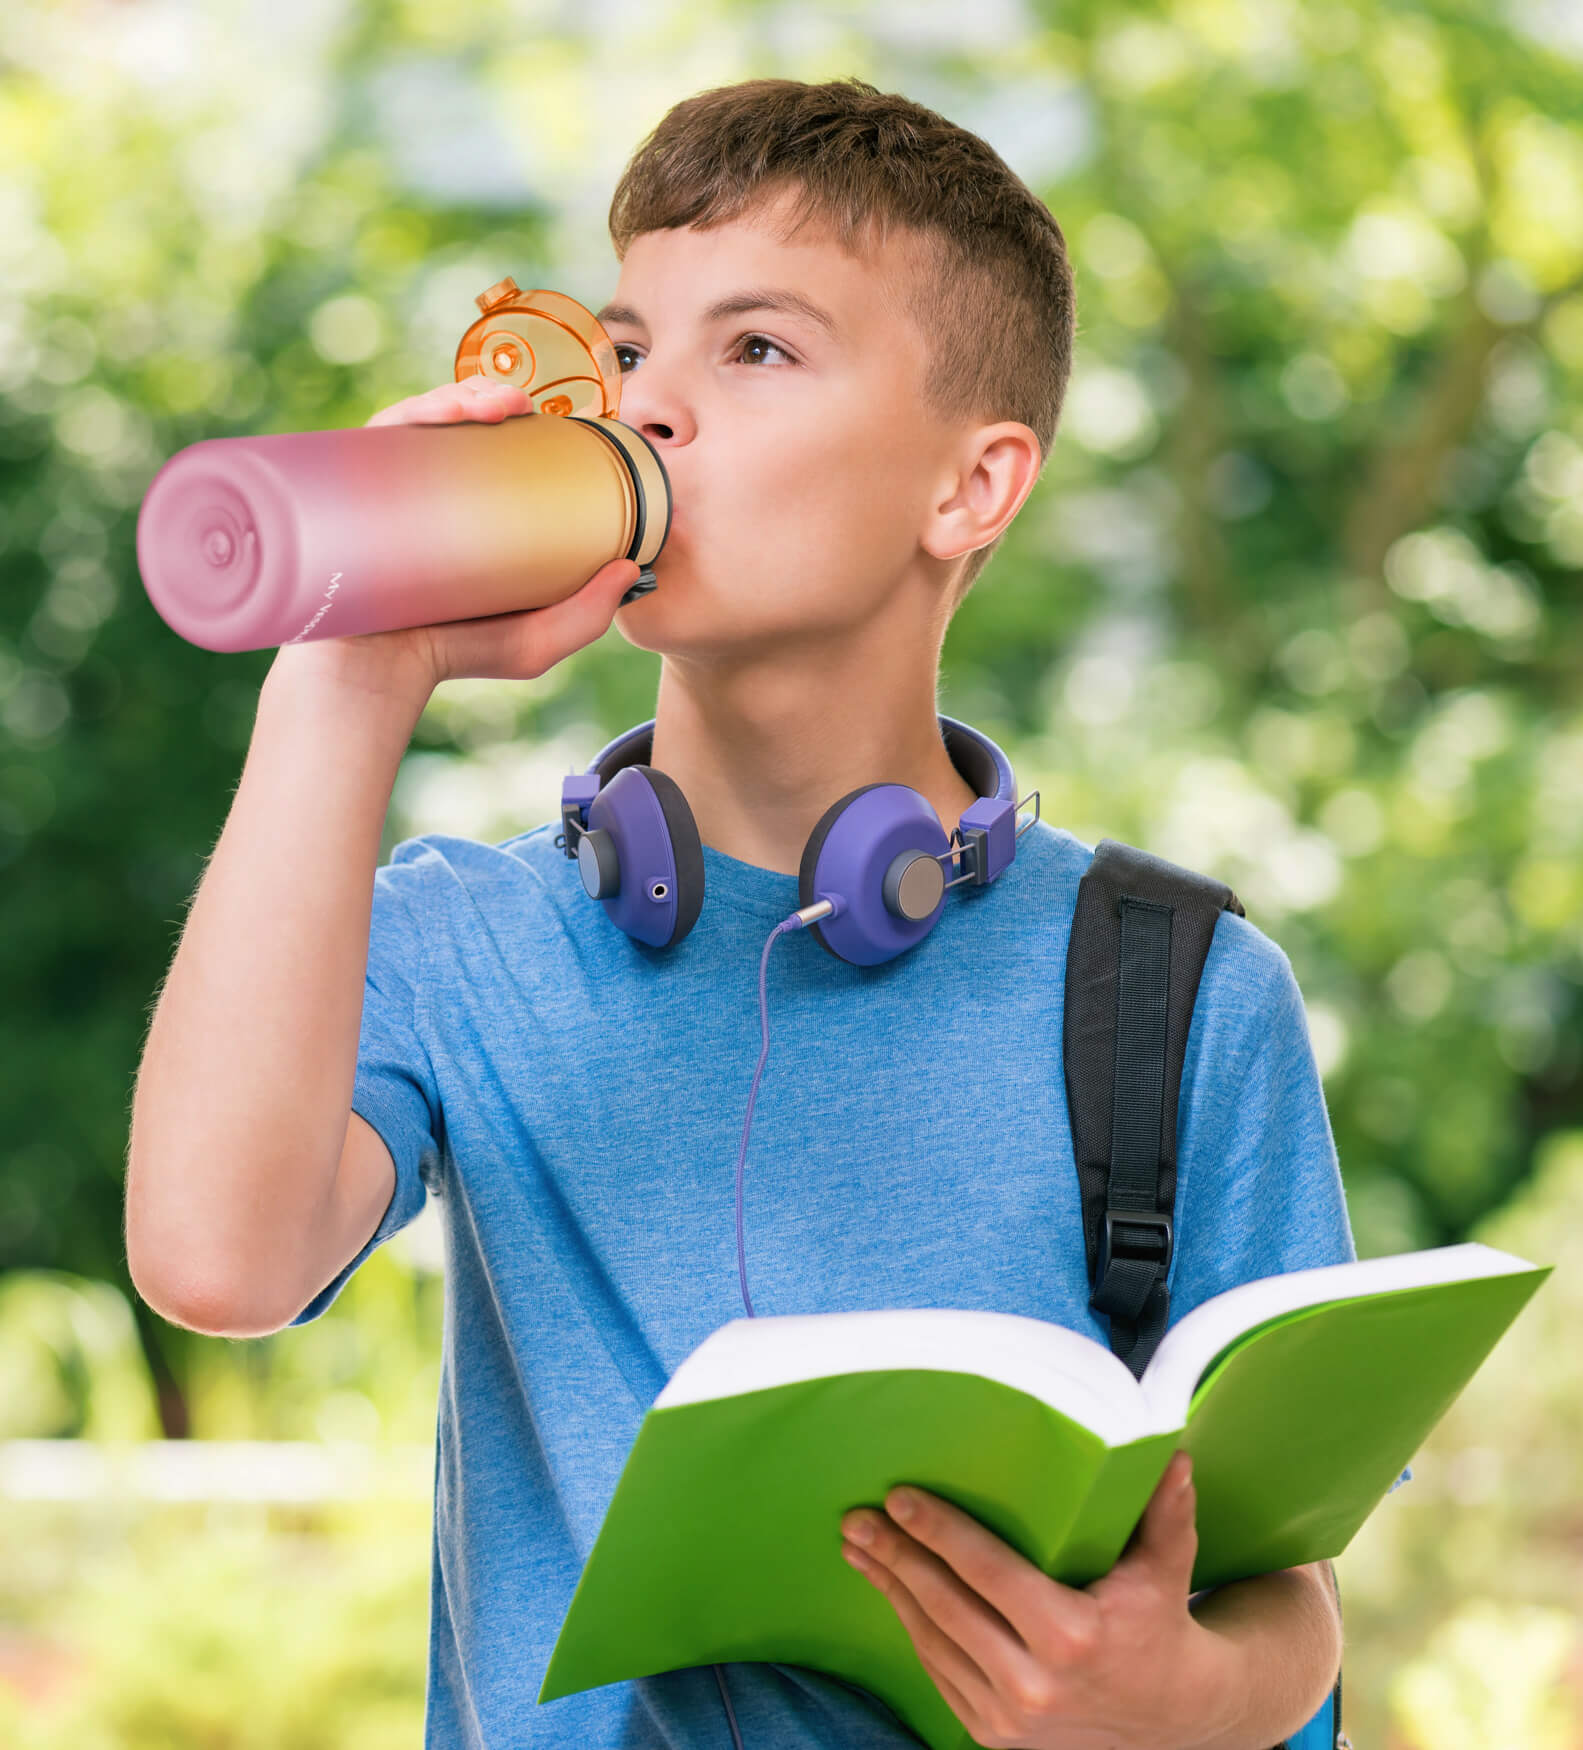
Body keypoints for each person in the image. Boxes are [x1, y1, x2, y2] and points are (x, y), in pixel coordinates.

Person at [127, 76, 1361, 1750]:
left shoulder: (1176, 987)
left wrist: (1185, 1694)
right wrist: (353, 672)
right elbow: (215, 1258)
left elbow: (1284, 1584)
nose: (652, 411)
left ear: (972, 488)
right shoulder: (462, 936)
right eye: (631, 348)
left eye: (757, 351)